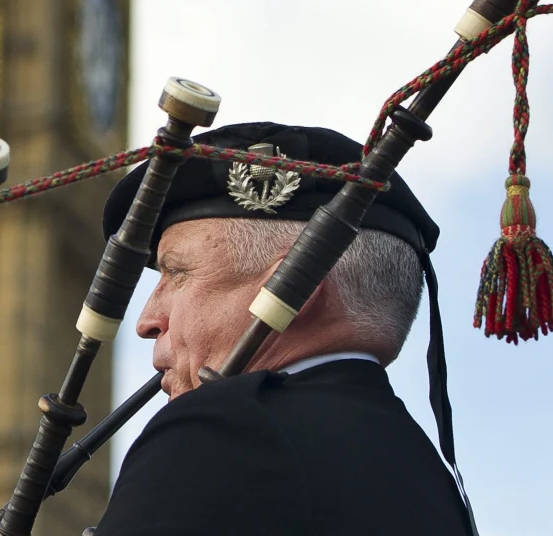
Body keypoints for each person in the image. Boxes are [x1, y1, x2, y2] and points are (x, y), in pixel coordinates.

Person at [92, 122, 474, 536]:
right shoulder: (432, 480)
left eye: (177, 273)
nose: (148, 321)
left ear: (293, 290)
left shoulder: (222, 434)